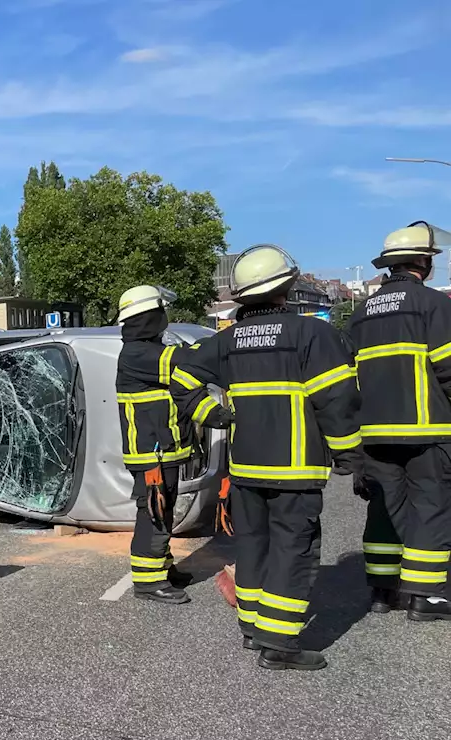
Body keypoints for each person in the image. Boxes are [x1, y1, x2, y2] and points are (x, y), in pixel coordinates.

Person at [170, 245, 362, 671]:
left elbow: (181, 380)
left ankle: (253, 629)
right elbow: (337, 401)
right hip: (295, 471)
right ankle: (279, 644)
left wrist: (213, 415)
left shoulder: (226, 341)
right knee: (293, 551)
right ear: (287, 287)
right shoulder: (315, 336)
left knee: (253, 546)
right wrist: (349, 452)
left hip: (245, 469)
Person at [350, 221, 451, 622]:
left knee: (384, 506)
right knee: (430, 505)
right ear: (423, 263)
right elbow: (447, 368)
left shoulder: (360, 315)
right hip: (426, 429)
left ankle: (382, 589)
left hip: (373, 432)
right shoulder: (434, 305)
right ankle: (425, 596)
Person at [115, 284, 231, 604]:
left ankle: (162, 570)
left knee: (162, 514)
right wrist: (227, 340)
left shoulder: (146, 350)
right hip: (151, 456)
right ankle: (148, 583)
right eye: (160, 312)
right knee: (154, 514)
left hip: (163, 453)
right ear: (149, 317)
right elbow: (187, 361)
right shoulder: (140, 354)